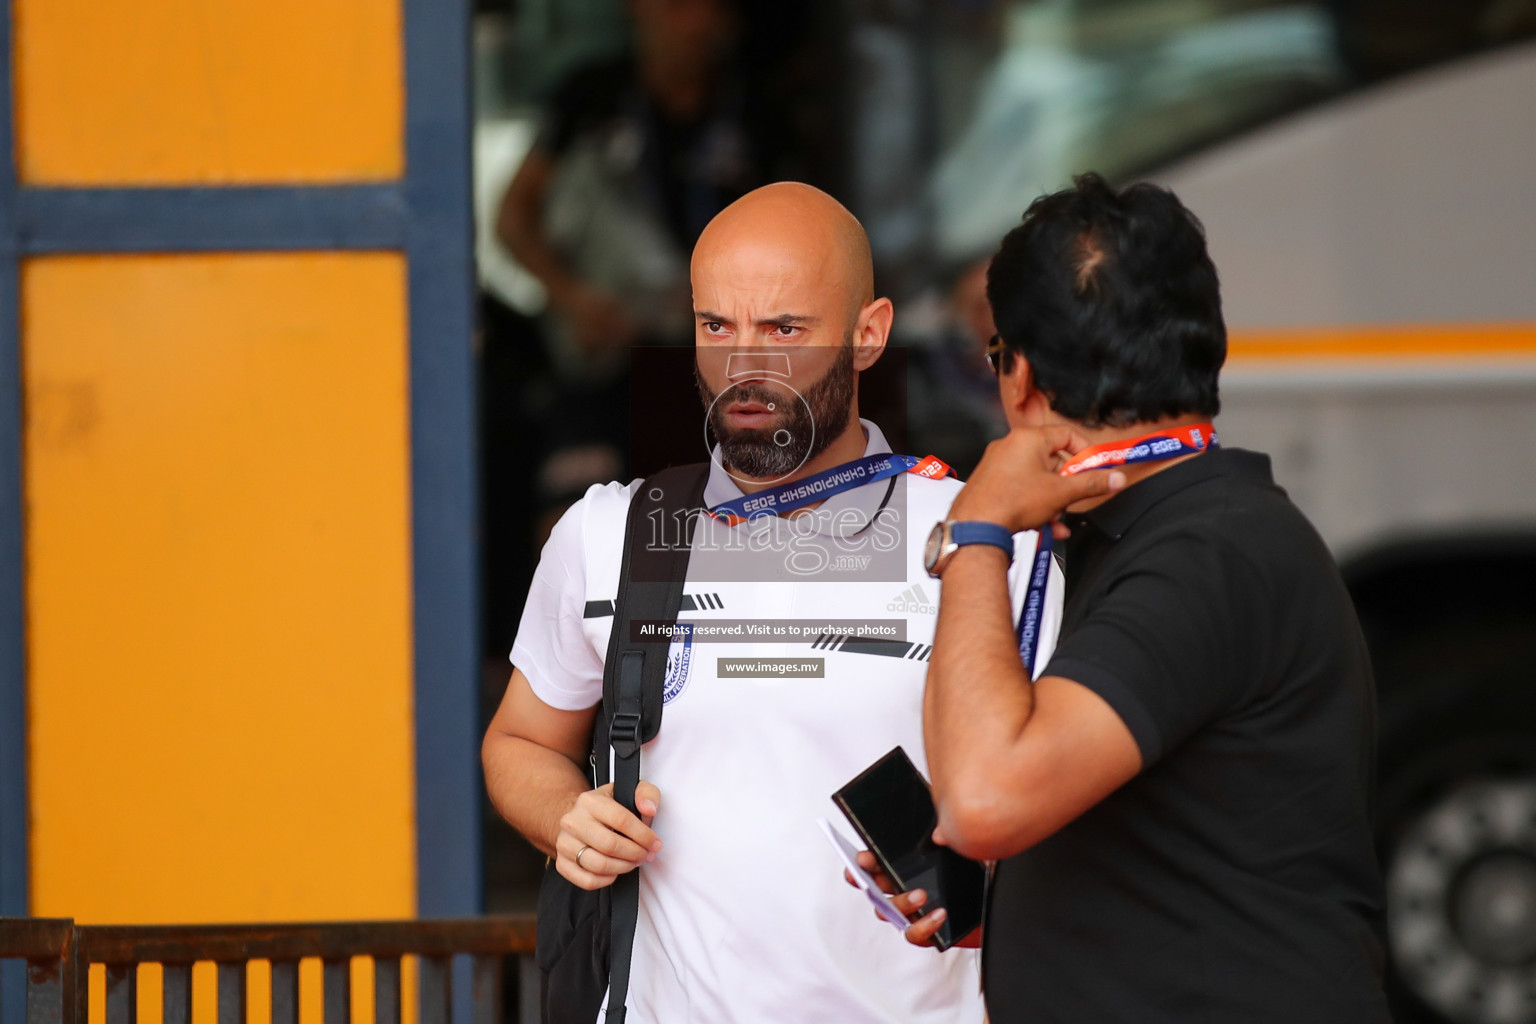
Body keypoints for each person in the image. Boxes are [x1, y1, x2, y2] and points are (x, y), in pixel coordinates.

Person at [481, 182, 1114, 1023]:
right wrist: (565, 815)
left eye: (784, 329)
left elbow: (1082, 815)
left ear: (869, 334)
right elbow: (520, 739)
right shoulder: (614, 534)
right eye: (717, 327)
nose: (747, 366)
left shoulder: (982, 536)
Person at [893, 174, 1391, 1022]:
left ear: (1024, 383)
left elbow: (983, 800)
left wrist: (975, 528)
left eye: (994, 354)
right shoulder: (1176, 531)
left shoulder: (1208, 552)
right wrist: (1005, 894)